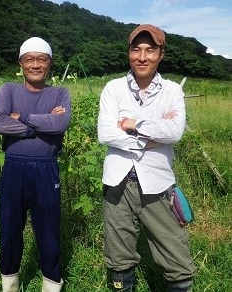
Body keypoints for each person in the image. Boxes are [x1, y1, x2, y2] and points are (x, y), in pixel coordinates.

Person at [97, 24, 196, 292]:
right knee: (118, 255)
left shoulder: (172, 91)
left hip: (157, 183)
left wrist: (131, 123)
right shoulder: (113, 88)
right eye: (136, 49)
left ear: (161, 54)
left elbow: (174, 132)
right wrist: (150, 138)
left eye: (150, 50)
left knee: (175, 253)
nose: (142, 57)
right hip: (117, 182)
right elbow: (106, 133)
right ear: (129, 52)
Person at [0, 37, 71, 292]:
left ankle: (51, 284)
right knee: (10, 229)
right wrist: (38, 127)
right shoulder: (8, 90)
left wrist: (22, 117)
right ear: (21, 63)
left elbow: (59, 125)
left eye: (42, 59)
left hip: (46, 169)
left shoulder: (60, 93)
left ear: (50, 64)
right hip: (13, 167)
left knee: (49, 231)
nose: (35, 65)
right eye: (29, 59)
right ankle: (10, 285)